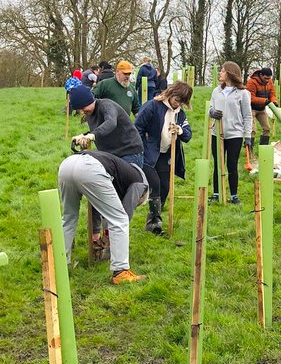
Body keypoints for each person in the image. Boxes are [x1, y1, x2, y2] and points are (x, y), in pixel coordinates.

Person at [57, 150, 148, 284]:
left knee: (68, 218)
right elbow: (125, 212)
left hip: (67, 164)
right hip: (90, 168)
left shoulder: (122, 175)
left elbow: (95, 202)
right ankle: (120, 271)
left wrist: (95, 233)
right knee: (120, 219)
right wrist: (109, 236)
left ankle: (59, 264)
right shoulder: (140, 184)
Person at [134, 81, 193, 234]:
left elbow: (188, 135)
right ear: (171, 93)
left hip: (165, 154)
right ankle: (155, 223)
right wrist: (142, 148)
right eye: (177, 99)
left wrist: (180, 130)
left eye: (182, 102)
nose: (177, 104)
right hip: (147, 153)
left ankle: (153, 218)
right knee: (155, 184)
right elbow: (137, 128)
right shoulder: (152, 106)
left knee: (165, 187)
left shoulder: (180, 113)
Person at [208, 62, 252, 204]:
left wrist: (248, 135)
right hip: (217, 133)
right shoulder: (216, 91)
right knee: (217, 164)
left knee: (232, 164)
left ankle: (234, 195)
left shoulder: (243, 93)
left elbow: (247, 115)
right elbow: (210, 108)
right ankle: (216, 193)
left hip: (235, 134)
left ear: (230, 73)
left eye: (222, 71)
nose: (220, 73)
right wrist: (212, 113)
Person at [67, 84, 144, 166]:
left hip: (129, 153)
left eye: (83, 108)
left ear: (90, 100)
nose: (82, 112)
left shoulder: (106, 105)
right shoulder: (89, 113)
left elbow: (111, 122)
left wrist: (92, 135)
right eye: (79, 110)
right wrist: (84, 136)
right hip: (110, 155)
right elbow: (99, 130)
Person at [246, 67, 277, 146]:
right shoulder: (251, 82)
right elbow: (250, 98)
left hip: (262, 109)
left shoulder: (269, 81)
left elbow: (272, 93)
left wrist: (274, 101)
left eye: (269, 78)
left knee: (267, 129)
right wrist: (264, 101)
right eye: (265, 78)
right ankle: (250, 151)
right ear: (260, 75)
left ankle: (263, 149)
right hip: (251, 109)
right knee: (252, 131)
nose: (267, 80)